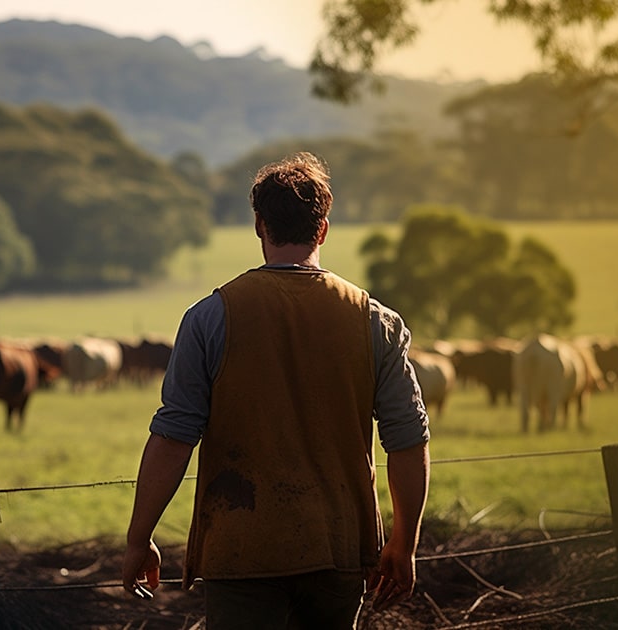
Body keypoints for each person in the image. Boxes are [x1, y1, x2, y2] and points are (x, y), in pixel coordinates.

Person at [120, 151, 431, 628]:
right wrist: (403, 544)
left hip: (241, 548)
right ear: (323, 228)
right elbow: (408, 441)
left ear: (259, 225)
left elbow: (173, 437)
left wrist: (139, 538)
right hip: (339, 550)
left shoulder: (210, 317)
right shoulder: (374, 322)